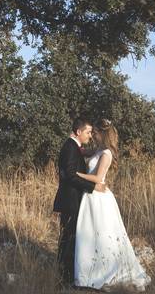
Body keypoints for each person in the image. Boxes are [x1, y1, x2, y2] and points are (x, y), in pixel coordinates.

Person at [73, 118, 151, 291]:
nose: (92, 135)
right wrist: (73, 142)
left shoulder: (106, 153)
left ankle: (104, 271)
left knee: (102, 233)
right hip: (91, 197)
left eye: (95, 133)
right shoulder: (98, 150)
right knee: (90, 232)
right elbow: (82, 151)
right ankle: (88, 271)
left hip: (99, 198)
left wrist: (76, 174)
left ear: (102, 134)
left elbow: (98, 178)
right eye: (91, 133)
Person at [53, 117, 108, 287]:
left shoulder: (73, 147)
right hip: (71, 200)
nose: (90, 136)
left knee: (71, 238)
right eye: (88, 132)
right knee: (68, 239)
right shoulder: (70, 147)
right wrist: (93, 186)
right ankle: (64, 280)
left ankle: (69, 276)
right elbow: (69, 175)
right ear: (78, 132)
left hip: (74, 199)